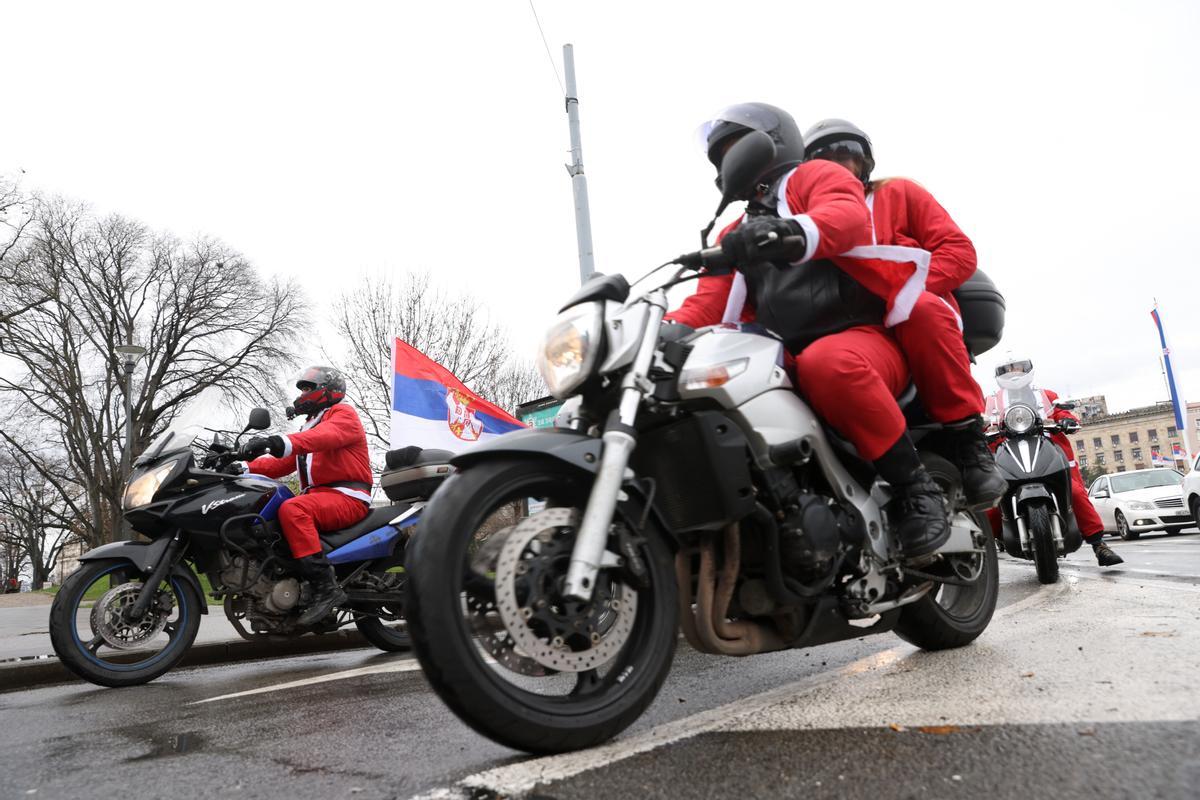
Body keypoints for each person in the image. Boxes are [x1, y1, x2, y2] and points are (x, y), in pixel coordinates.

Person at [668, 102, 949, 558]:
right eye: (720, 157)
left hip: (865, 338)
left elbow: (846, 216)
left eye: (734, 149)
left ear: (771, 142)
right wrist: (660, 333)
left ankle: (915, 488)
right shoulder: (735, 231)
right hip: (787, 356)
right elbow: (707, 303)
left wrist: (789, 233)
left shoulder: (814, 178)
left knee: (829, 362)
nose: (727, 163)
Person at [802, 119, 1006, 510]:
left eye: (849, 154)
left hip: (913, 322)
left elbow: (958, 251)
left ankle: (969, 443)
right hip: (853, 334)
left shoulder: (899, 193)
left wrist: (902, 289)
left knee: (921, 308)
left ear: (866, 162)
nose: (839, 163)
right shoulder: (804, 221)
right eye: (824, 158)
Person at [242, 366, 374, 624]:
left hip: (347, 496)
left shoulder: (343, 414)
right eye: (301, 389)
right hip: (320, 498)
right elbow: (281, 464)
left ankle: (326, 588)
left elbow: (324, 437)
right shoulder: (310, 426)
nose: (302, 394)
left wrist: (277, 440)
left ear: (328, 390)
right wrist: (243, 466)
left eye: (308, 388)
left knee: (293, 509)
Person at [984, 356, 1124, 566]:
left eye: (1019, 368)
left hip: (1048, 454)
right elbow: (982, 420)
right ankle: (982, 552)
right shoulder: (992, 402)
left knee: (1075, 492)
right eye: (1008, 370)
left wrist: (1066, 420)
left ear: (1028, 370)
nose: (1014, 373)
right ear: (999, 375)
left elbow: (1061, 411)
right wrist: (979, 429)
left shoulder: (1045, 395)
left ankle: (1099, 545)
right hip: (1008, 458)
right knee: (992, 502)